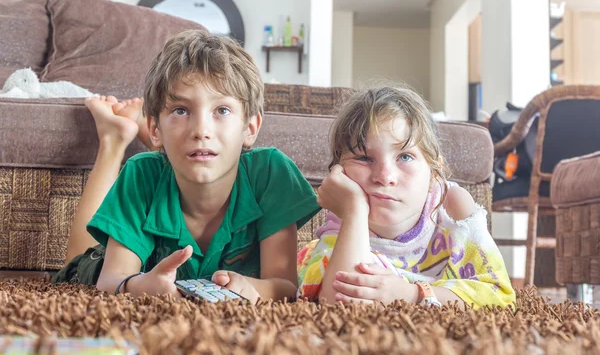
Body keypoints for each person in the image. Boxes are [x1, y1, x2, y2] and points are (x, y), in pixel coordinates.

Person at [54, 30, 320, 303]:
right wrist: (141, 286)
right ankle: (113, 139)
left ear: (250, 128)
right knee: (80, 263)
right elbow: (109, 282)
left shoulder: (271, 172)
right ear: (154, 128)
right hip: (116, 266)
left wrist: (252, 288)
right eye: (181, 110)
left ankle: (156, 139)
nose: (201, 130)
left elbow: (285, 286)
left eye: (222, 110)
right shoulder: (140, 173)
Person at [296, 85, 515, 308]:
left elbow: (500, 297)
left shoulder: (453, 211)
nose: (384, 176)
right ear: (338, 173)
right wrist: (355, 210)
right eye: (363, 158)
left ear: (433, 172)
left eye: (405, 156)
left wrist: (413, 294)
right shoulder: (343, 221)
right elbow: (336, 306)